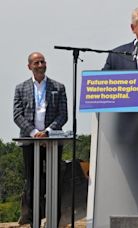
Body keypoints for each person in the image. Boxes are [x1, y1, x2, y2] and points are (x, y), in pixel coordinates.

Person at [13, 52, 68, 226]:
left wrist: (48, 132)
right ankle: (33, 220)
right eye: (36, 62)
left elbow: (63, 115)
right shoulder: (21, 88)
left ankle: (54, 221)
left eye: (42, 61)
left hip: (52, 141)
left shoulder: (58, 87)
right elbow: (17, 115)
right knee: (32, 182)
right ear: (29, 66)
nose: (40, 65)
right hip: (30, 142)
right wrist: (34, 133)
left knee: (55, 182)